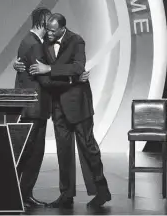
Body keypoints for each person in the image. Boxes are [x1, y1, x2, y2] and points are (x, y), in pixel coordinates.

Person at [13, 8, 95, 209]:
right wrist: (75, 80)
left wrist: (72, 73)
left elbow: (55, 67)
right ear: (42, 22)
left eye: (53, 27)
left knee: (30, 153)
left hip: (40, 107)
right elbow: (46, 81)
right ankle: (20, 194)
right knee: (31, 154)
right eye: (48, 25)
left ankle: (22, 193)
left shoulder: (36, 42)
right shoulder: (34, 44)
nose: (50, 31)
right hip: (35, 107)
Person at [29, 13, 111, 208]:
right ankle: (66, 194)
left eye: (52, 30)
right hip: (58, 106)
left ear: (62, 29)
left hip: (78, 105)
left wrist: (50, 69)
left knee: (89, 148)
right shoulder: (44, 44)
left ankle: (102, 190)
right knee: (63, 152)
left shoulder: (76, 41)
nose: (48, 33)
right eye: (47, 29)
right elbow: (45, 73)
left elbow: (78, 67)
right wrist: (71, 79)